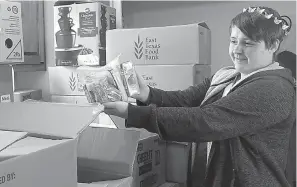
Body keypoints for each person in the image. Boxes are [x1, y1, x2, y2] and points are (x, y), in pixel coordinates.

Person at [103, 6, 296, 187]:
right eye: (233, 40)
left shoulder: (274, 88)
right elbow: (186, 99)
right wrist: (146, 93)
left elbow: (205, 121)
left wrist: (132, 112)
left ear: (273, 45)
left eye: (248, 43)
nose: (237, 50)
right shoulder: (227, 75)